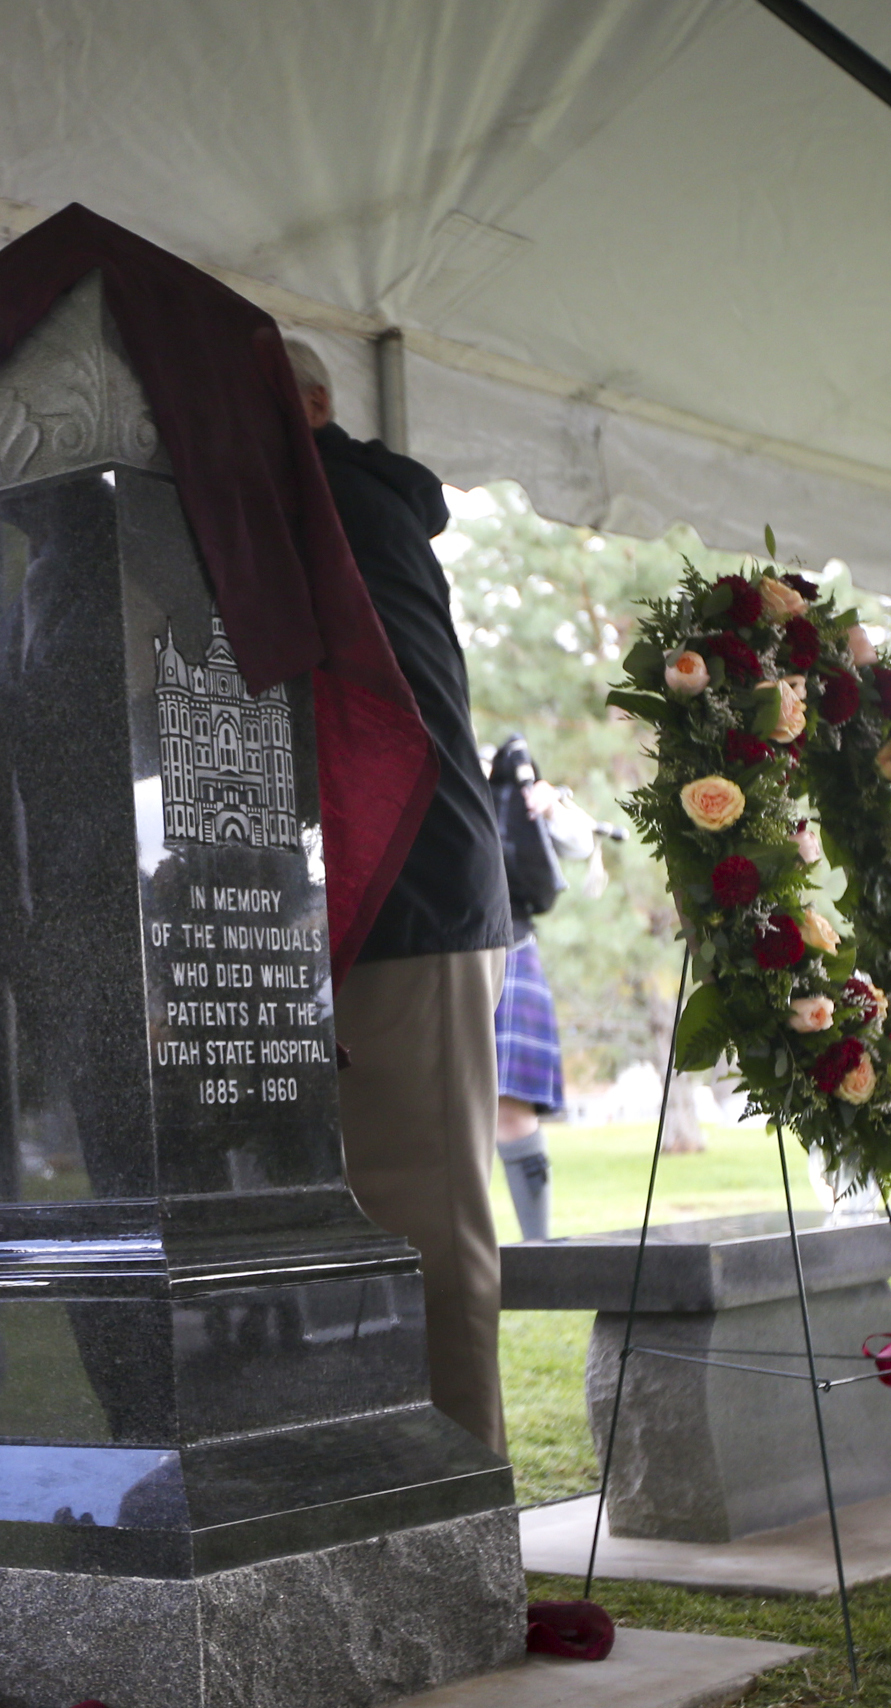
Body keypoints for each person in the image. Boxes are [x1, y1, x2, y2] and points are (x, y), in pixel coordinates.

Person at [285, 338, 514, 1460]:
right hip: (378, 889)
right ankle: (392, 1477)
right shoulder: (336, 499)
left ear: (316, 405)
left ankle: (461, 1496)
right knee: (385, 1210)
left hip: (413, 889)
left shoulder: (327, 499)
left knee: (428, 1217)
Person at [488, 735, 568, 1241]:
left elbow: (577, 845)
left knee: (512, 1109)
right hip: (435, 953)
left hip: (511, 946)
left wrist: (552, 804)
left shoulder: (517, 784)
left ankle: (539, 1250)